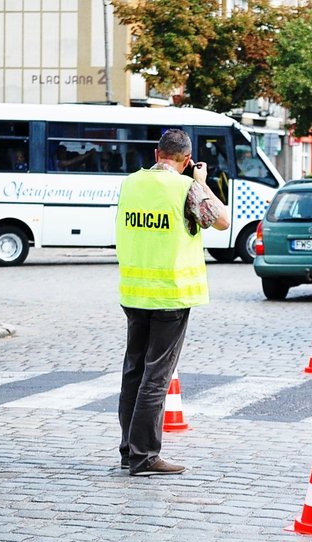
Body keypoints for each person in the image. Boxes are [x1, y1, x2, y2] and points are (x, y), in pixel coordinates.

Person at [115, 129, 230, 477]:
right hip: (170, 295)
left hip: (134, 293)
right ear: (186, 159)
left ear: (156, 154)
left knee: (133, 372)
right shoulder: (186, 188)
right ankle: (145, 456)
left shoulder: (131, 184)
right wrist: (202, 182)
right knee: (156, 376)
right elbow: (222, 221)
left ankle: (127, 450)